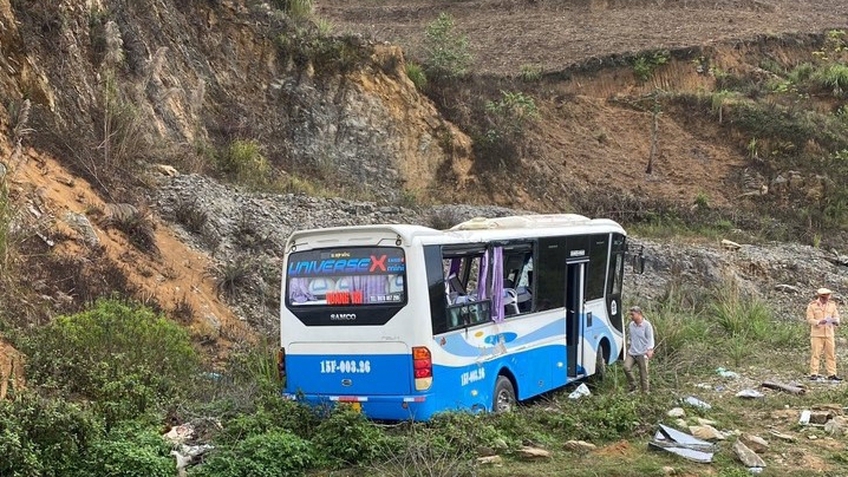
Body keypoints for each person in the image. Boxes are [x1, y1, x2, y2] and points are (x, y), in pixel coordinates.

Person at [806, 287, 841, 381]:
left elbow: (836, 316)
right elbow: (809, 319)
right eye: (824, 297)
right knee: (816, 354)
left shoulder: (832, 305)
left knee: (831, 354)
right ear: (820, 296)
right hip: (817, 334)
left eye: (827, 297)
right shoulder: (812, 306)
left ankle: (832, 374)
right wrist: (818, 322)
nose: (826, 299)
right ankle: (814, 373)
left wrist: (836, 321)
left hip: (829, 333)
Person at [623, 306, 655, 394]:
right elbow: (630, 337)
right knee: (626, 367)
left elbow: (650, 338)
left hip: (642, 352)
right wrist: (627, 346)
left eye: (633, 314)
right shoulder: (631, 325)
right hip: (632, 352)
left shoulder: (647, 325)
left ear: (639, 314)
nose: (631, 317)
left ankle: (645, 392)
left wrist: (650, 349)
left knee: (643, 374)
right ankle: (633, 385)